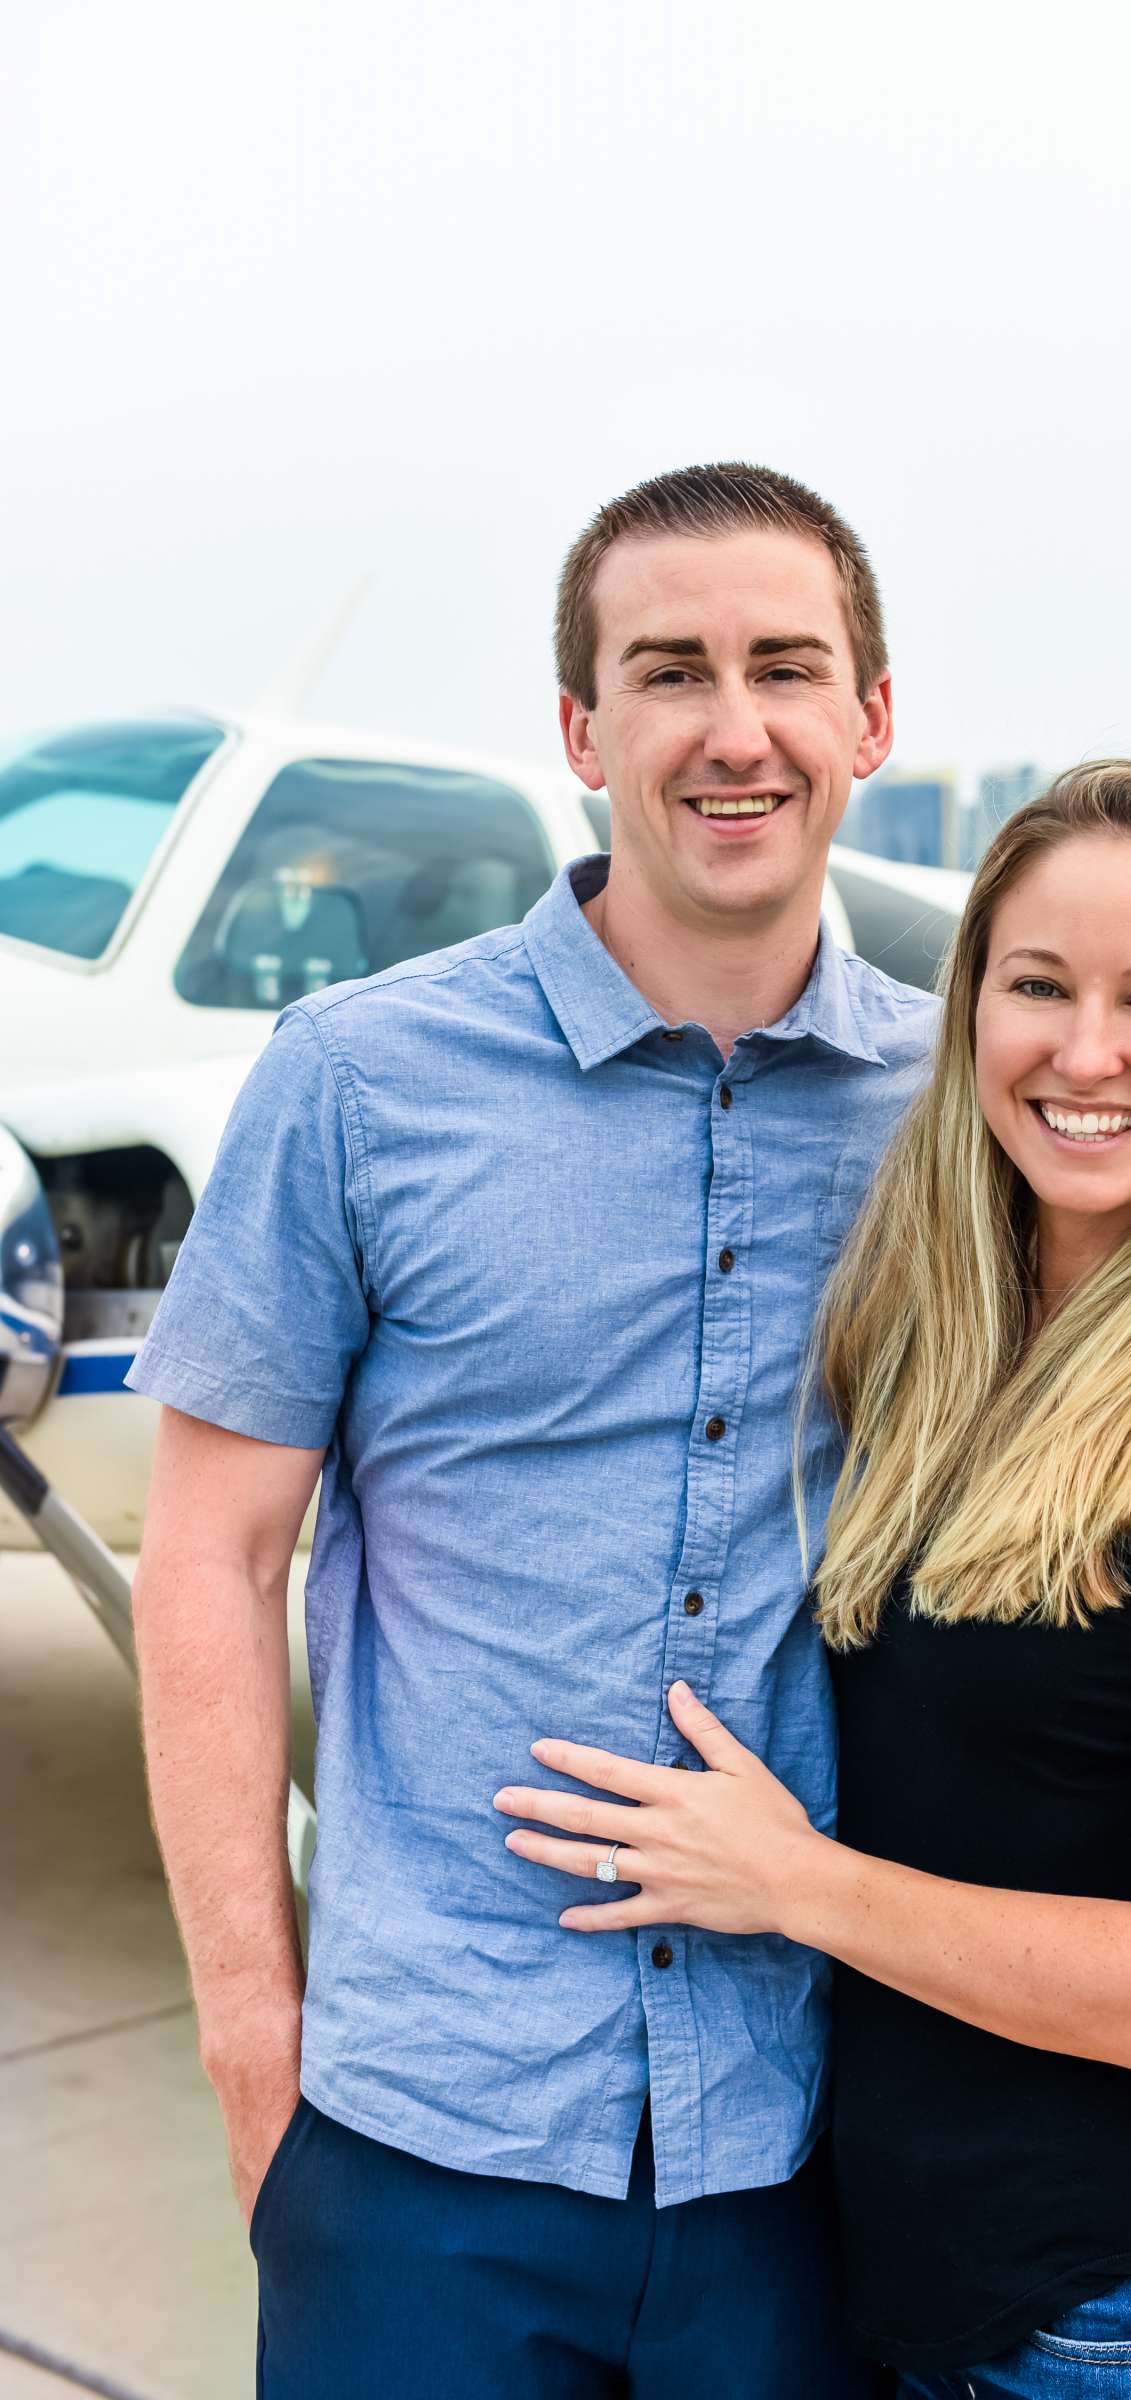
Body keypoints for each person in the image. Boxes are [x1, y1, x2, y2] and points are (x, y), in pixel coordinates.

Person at [127, 461, 934, 2397]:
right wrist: (256, 2043)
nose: (733, 731)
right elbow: (211, 1562)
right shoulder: (355, 1082)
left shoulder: (957, 1109)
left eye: (785, 668)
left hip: (817, 2140)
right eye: (668, 673)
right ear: (583, 730)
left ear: (872, 720)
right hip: (425, 2138)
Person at [493, 762, 1131, 2398]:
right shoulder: (961, 1353)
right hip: (947, 2303)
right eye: (1036, 987)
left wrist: (793, 1882)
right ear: (967, 1008)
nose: (1083, 1054)